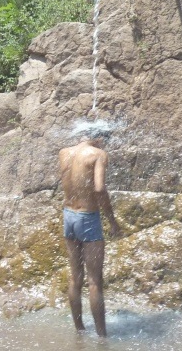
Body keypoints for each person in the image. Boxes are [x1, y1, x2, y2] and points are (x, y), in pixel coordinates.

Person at [58, 126, 121, 337]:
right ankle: (103, 337)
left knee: (75, 278)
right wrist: (112, 221)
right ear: (99, 138)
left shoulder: (65, 153)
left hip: (68, 216)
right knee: (94, 281)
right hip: (87, 218)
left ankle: (79, 331)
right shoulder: (98, 155)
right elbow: (99, 188)